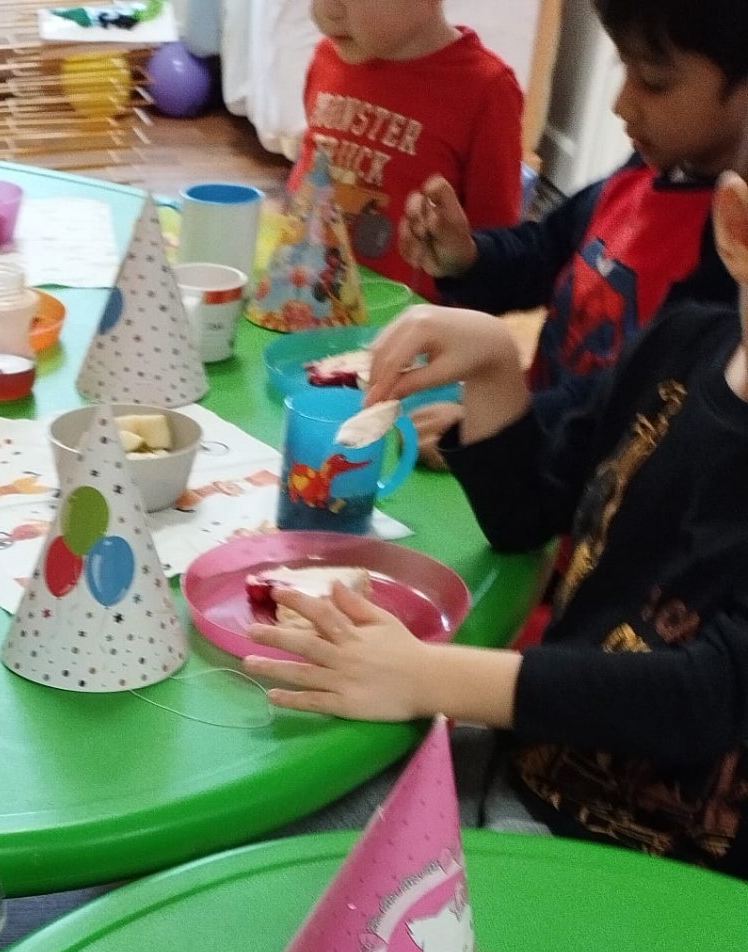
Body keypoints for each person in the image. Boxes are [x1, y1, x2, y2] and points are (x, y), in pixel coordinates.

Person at [241, 156, 748, 877]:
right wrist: (490, 364)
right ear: (738, 229)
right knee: (267, 826)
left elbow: (705, 697)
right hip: (525, 762)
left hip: (647, 868)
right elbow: (524, 514)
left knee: (298, 875)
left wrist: (426, 676)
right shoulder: (680, 347)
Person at [400, 0, 748, 426]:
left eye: (654, 82)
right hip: (530, 436)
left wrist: (503, 421)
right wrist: (469, 258)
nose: (621, 105)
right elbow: (545, 251)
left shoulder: (730, 255)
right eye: (624, 67)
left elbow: (632, 400)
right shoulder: (643, 172)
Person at [289, 0, 523, 289]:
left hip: (407, 312)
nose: (327, 11)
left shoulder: (486, 89)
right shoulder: (325, 58)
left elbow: (494, 254)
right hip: (310, 294)